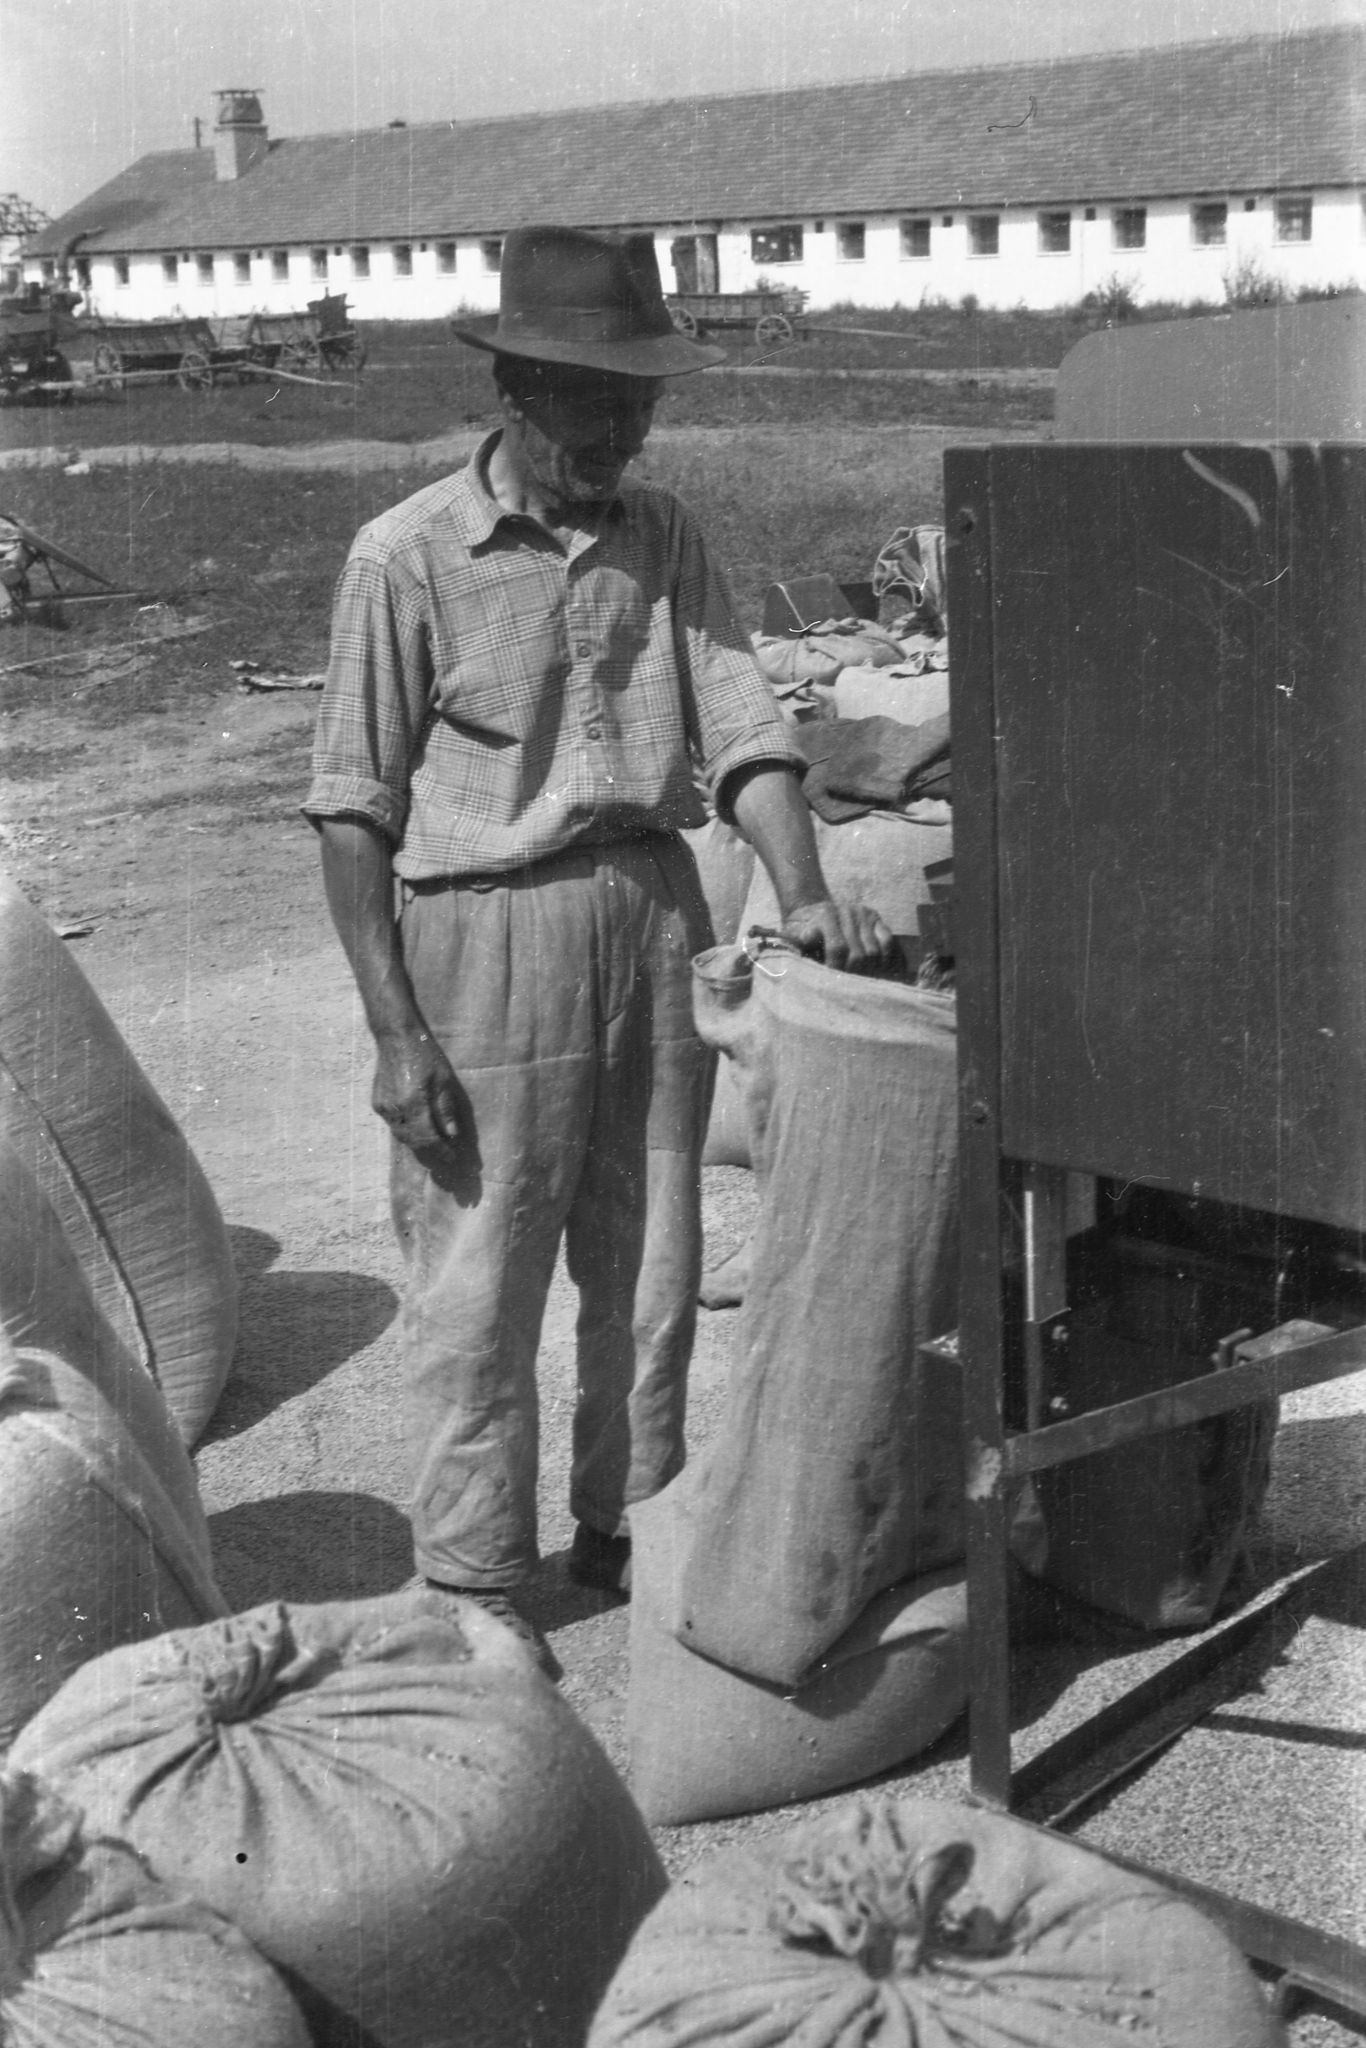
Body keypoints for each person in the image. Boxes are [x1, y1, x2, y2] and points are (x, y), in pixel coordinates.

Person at [305, 225, 891, 1671]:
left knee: (651, 1261)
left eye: (641, 410)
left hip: (651, 916)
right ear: (514, 388)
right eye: (594, 409)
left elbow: (742, 727)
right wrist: (394, 1033)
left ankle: (632, 1522)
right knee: (481, 1283)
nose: (621, 440)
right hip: (481, 937)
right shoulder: (404, 556)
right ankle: (478, 1581)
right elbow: (352, 811)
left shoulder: (664, 533)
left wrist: (802, 885)